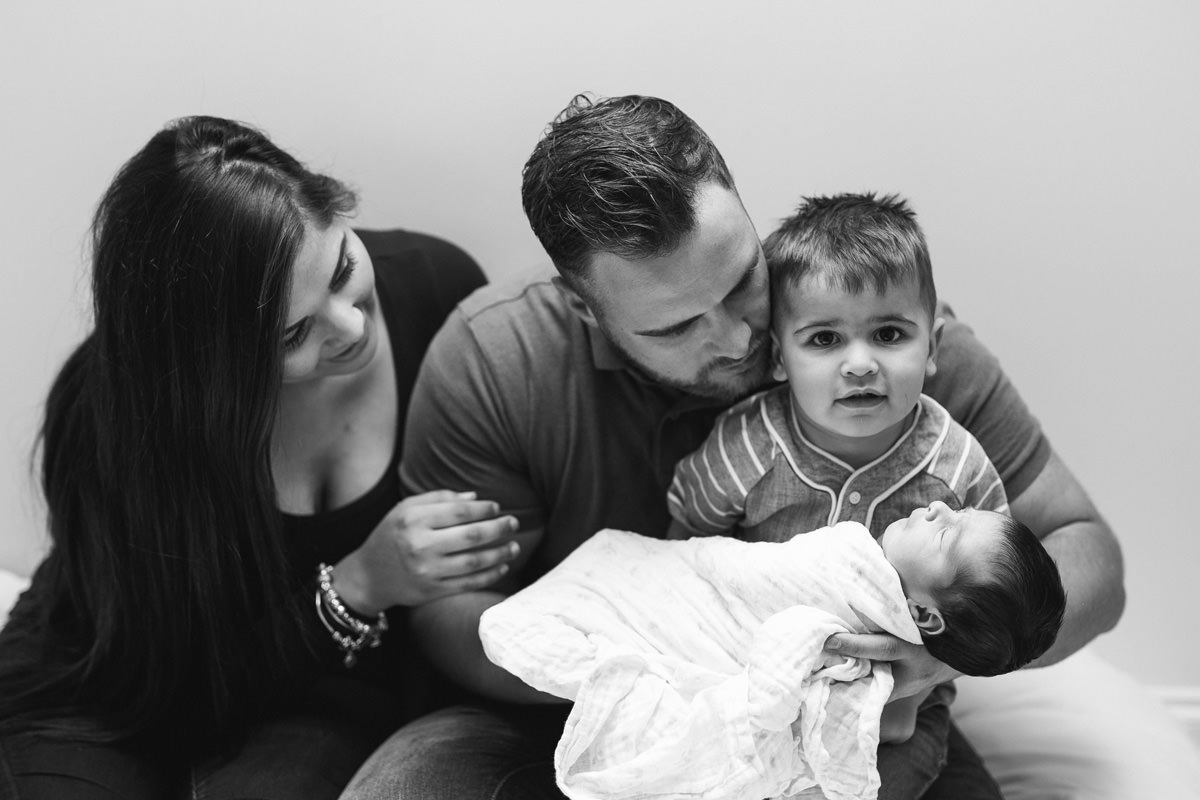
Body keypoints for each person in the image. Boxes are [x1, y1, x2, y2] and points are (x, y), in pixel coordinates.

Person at [340, 95, 1123, 800]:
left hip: (862, 715)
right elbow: (447, 616)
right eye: (676, 327)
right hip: (583, 705)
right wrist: (655, 676)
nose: (740, 336)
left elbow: (1089, 557)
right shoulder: (496, 360)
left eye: (743, 278)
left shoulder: (879, 347)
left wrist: (938, 661)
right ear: (583, 311)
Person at [0, 116, 520, 799]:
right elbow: (172, 687)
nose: (353, 327)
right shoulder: (118, 411)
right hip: (110, 686)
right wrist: (358, 586)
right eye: (292, 334)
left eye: (341, 271)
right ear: (208, 361)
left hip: (314, 701)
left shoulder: (436, 286)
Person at [665, 191, 1021, 795]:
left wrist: (934, 668)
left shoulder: (956, 468)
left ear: (932, 348)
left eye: (888, 334)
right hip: (752, 673)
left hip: (898, 705)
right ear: (780, 359)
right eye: (824, 340)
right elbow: (685, 549)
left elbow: (990, 580)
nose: (859, 364)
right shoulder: (746, 448)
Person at [478, 504, 1066, 799]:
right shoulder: (855, 563)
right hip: (681, 585)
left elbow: (793, 640)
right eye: (958, 511)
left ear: (923, 616)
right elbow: (733, 577)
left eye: (947, 533)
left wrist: (929, 667)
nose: (938, 506)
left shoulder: (858, 595)